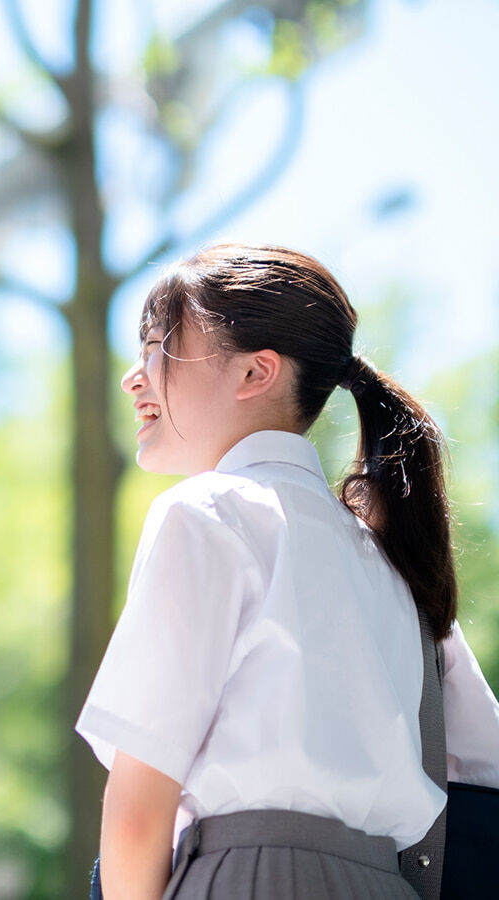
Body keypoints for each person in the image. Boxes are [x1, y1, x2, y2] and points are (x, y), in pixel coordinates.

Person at [76, 243, 499, 899]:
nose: (134, 377)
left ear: (256, 372)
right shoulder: (394, 562)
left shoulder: (207, 512)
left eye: (158, 345)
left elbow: (137, 816)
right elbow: (481, 770)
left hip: (248, 877)